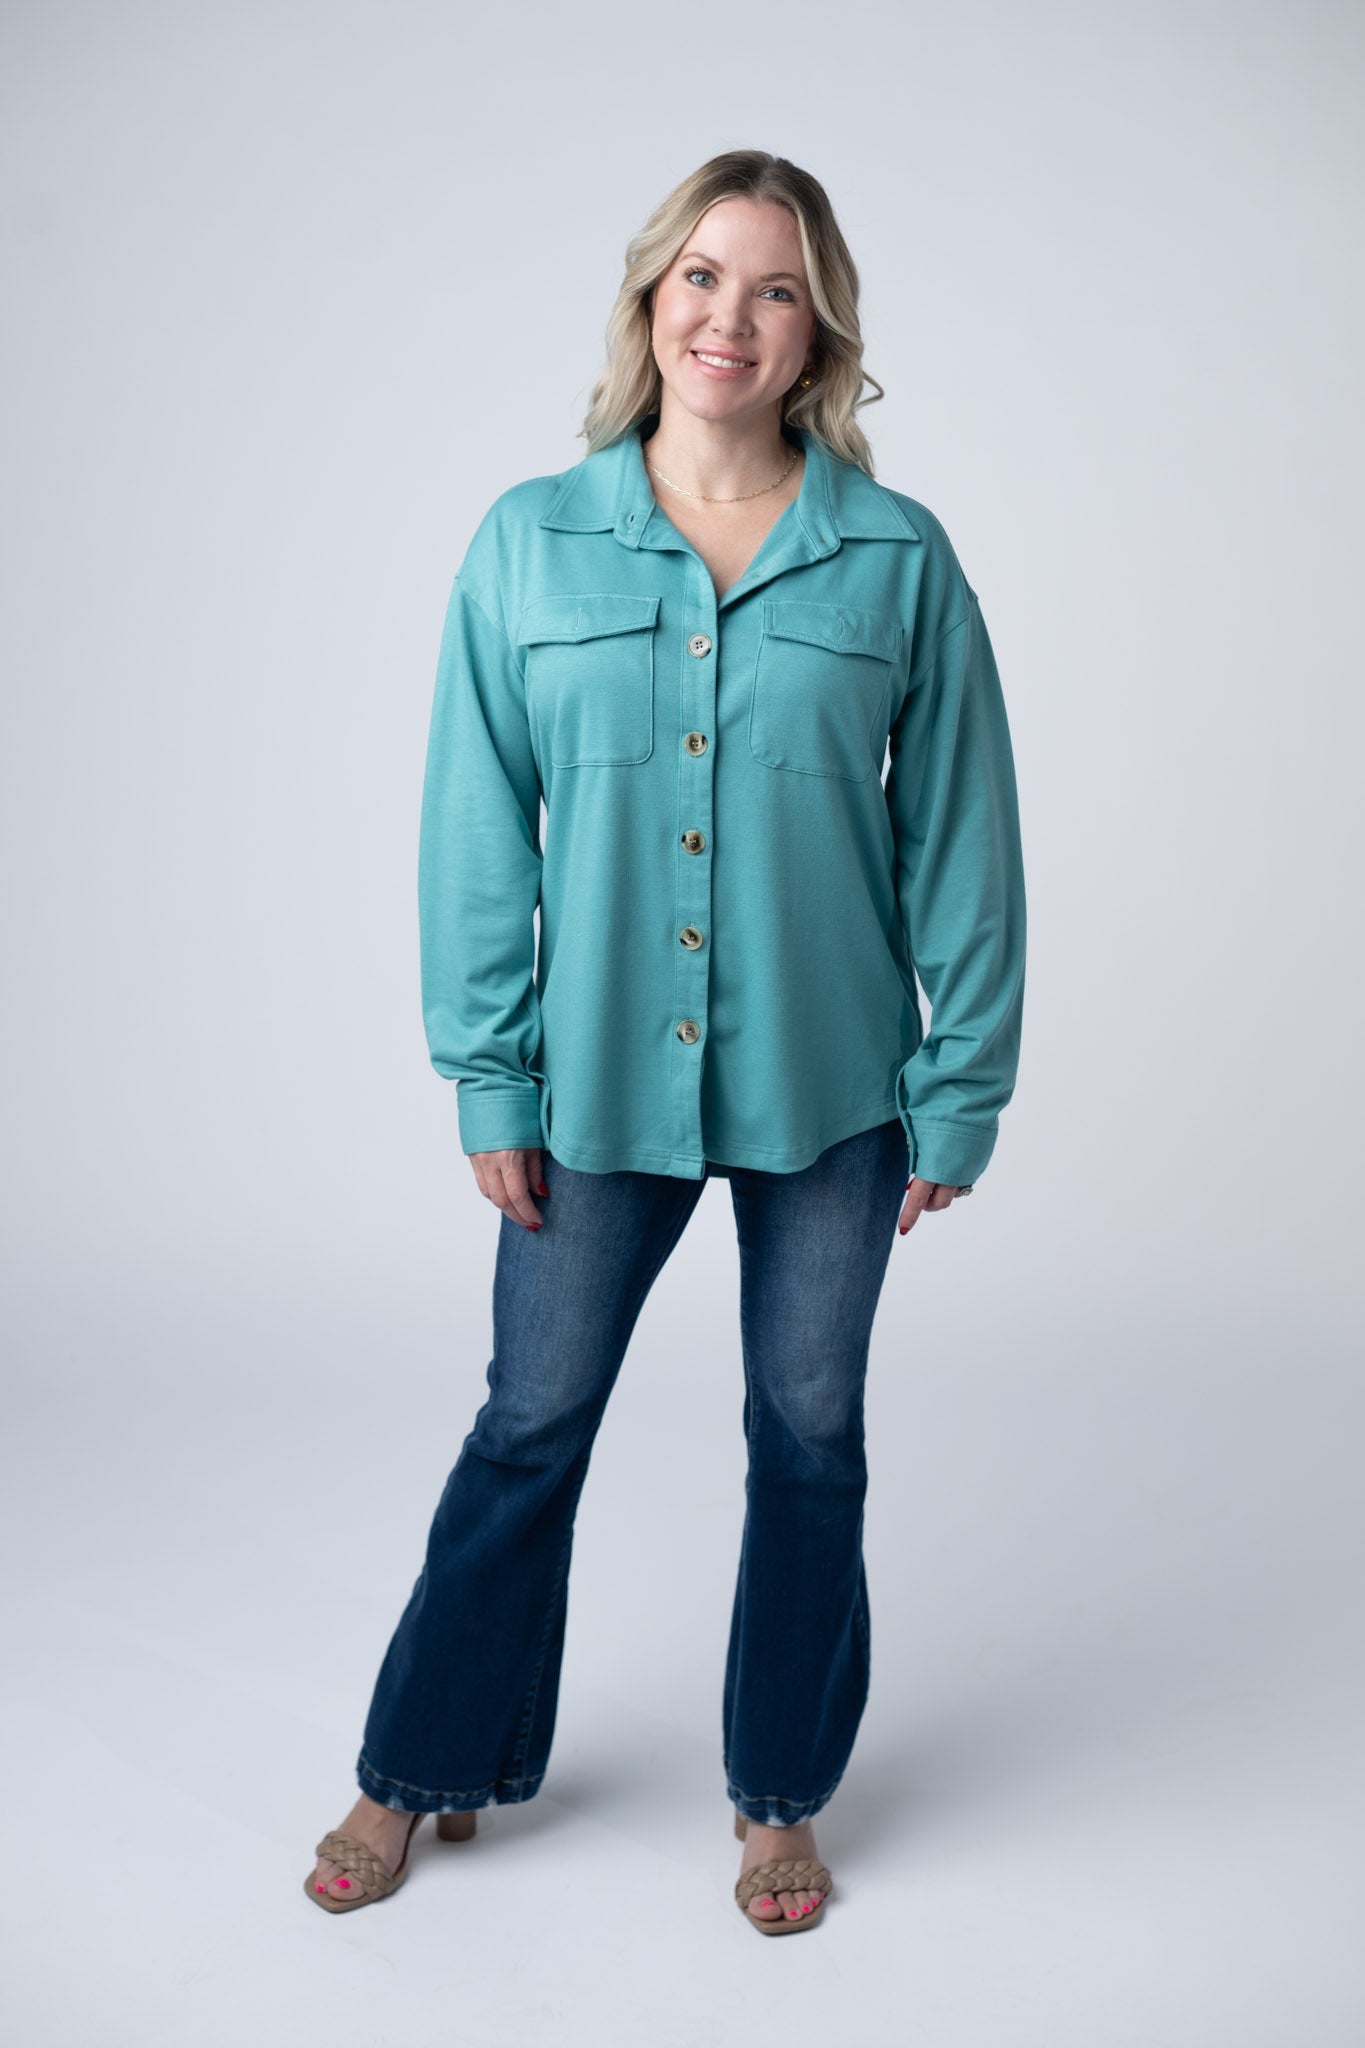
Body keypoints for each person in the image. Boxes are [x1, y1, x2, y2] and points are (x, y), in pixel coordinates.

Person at [304, 149, 1027, 1935]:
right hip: (596, 1084)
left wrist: (960, 1090)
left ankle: (779, 1796)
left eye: (774, 288)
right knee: (529, 1420)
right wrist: (488, 1069)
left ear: (816, 332)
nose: (730, 316)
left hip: (834, 1089)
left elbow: (963, 835)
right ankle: (421, 1764)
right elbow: (475, 826)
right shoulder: (528, 541)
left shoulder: (897, 558)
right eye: (702, 276)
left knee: (810, 1433)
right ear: (650, 301)